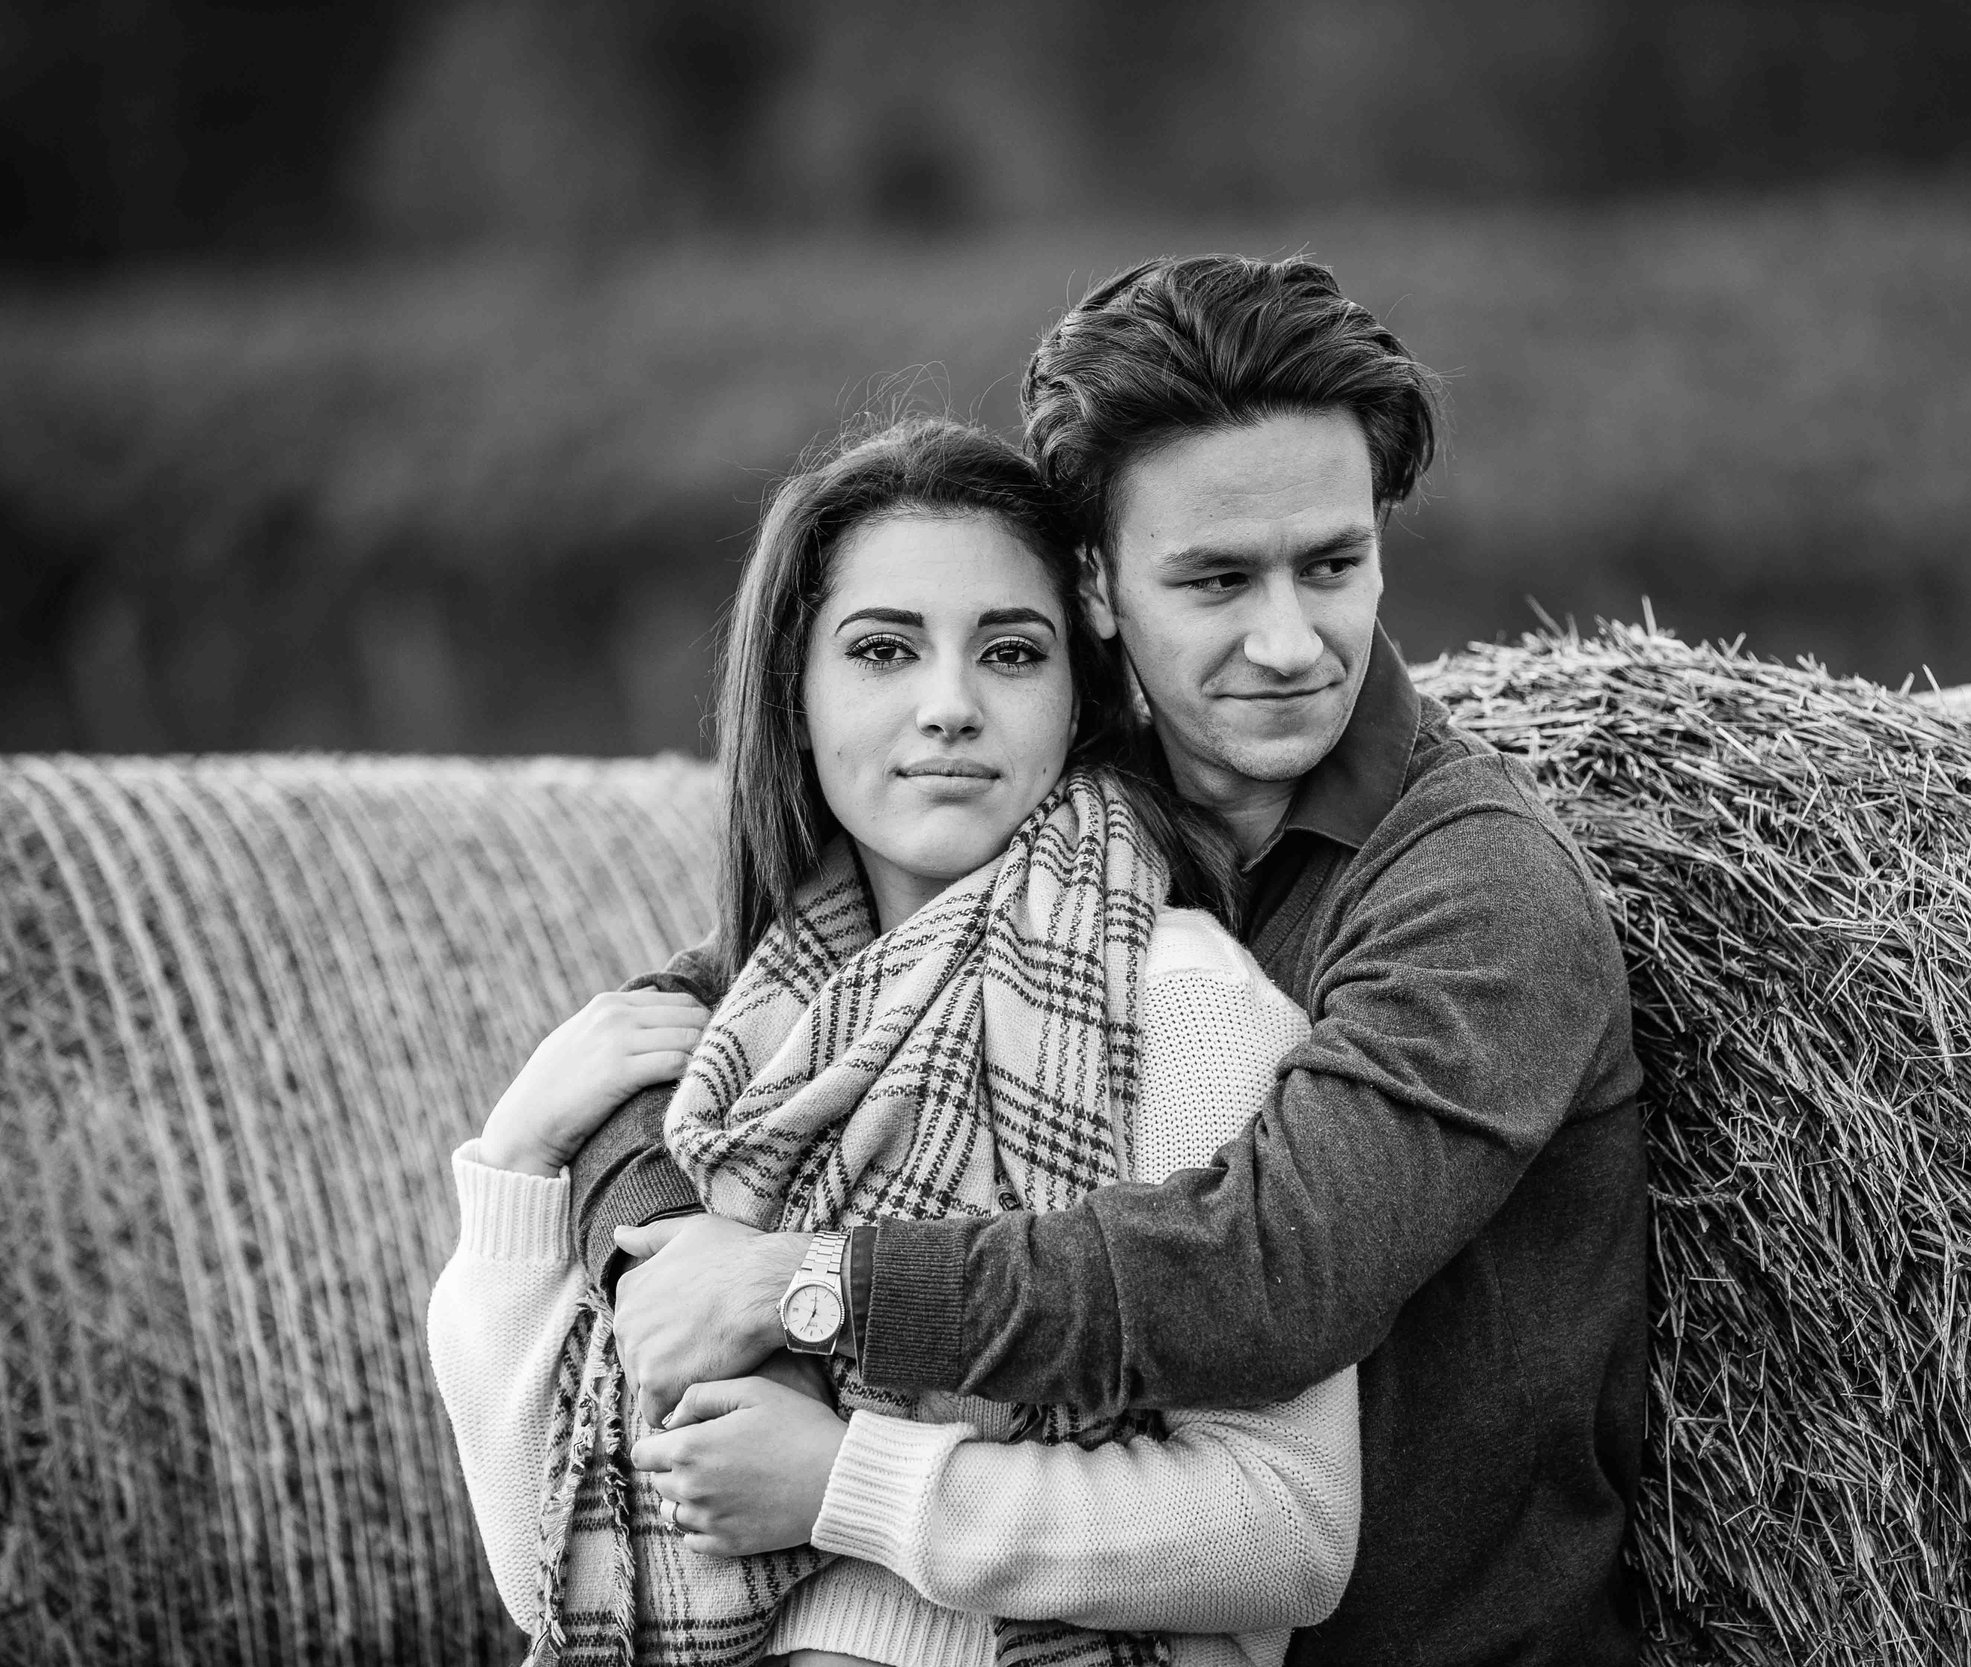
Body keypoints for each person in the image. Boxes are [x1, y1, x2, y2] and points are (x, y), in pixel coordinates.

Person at [578, 256, 1649, 1666]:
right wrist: (651, 1232)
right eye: (1215, 578)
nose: (1287, 640)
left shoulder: (1479, 889)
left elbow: (1269, 1274)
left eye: (1331, 564)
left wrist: (802, 1284)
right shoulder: (1064, 807)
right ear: (1094, 585)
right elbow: (697, 1021)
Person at [429, 416, 1360, 1667]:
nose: (949, 707)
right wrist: (518, 1164)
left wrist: (850, 1484)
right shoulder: (744, 1041)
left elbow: (1289, 1527)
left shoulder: (1184, 1005)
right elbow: (544, 1559)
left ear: (1079, 699)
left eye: (1011, 653)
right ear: (794, 699)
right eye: (882, 650)